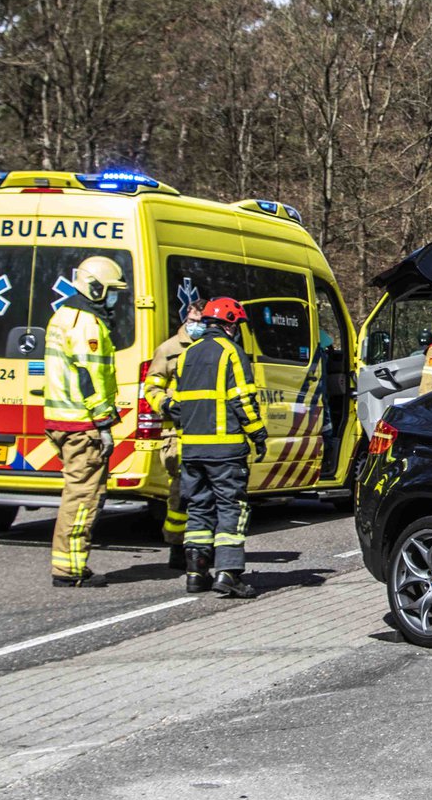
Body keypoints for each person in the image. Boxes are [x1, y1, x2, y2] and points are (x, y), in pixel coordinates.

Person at [167, 296, 268, 597]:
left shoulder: (188, 354)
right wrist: (258, 434)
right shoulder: (231, 353)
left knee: (198, 508)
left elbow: (174, 404)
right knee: (230, 508)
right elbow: (243, 401)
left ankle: (196, 573)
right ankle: (228, 573)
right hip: (226, 451)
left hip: (193, 450)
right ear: (230, 324)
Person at [43, 256, 127, 587]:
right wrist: (103, 422)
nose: (114, 297)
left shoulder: (62, 316)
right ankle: (69, 570)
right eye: (111, 290)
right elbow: (89, 377)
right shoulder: (86, 324)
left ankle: (73, 565)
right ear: (95, 287)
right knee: (83, 498)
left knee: (81, 493)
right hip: (83, 424)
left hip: (63, 420)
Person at [141, 299, 205, 569]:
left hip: (207, 431)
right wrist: (166, 405)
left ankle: (201, 549)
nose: (196, 326)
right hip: (176, 434)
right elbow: (151, 388)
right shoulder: (168, 350)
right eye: (193, 320)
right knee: (180, 494)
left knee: (206, 494)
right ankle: (176, 546)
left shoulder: (211, 347)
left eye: (201, 321)